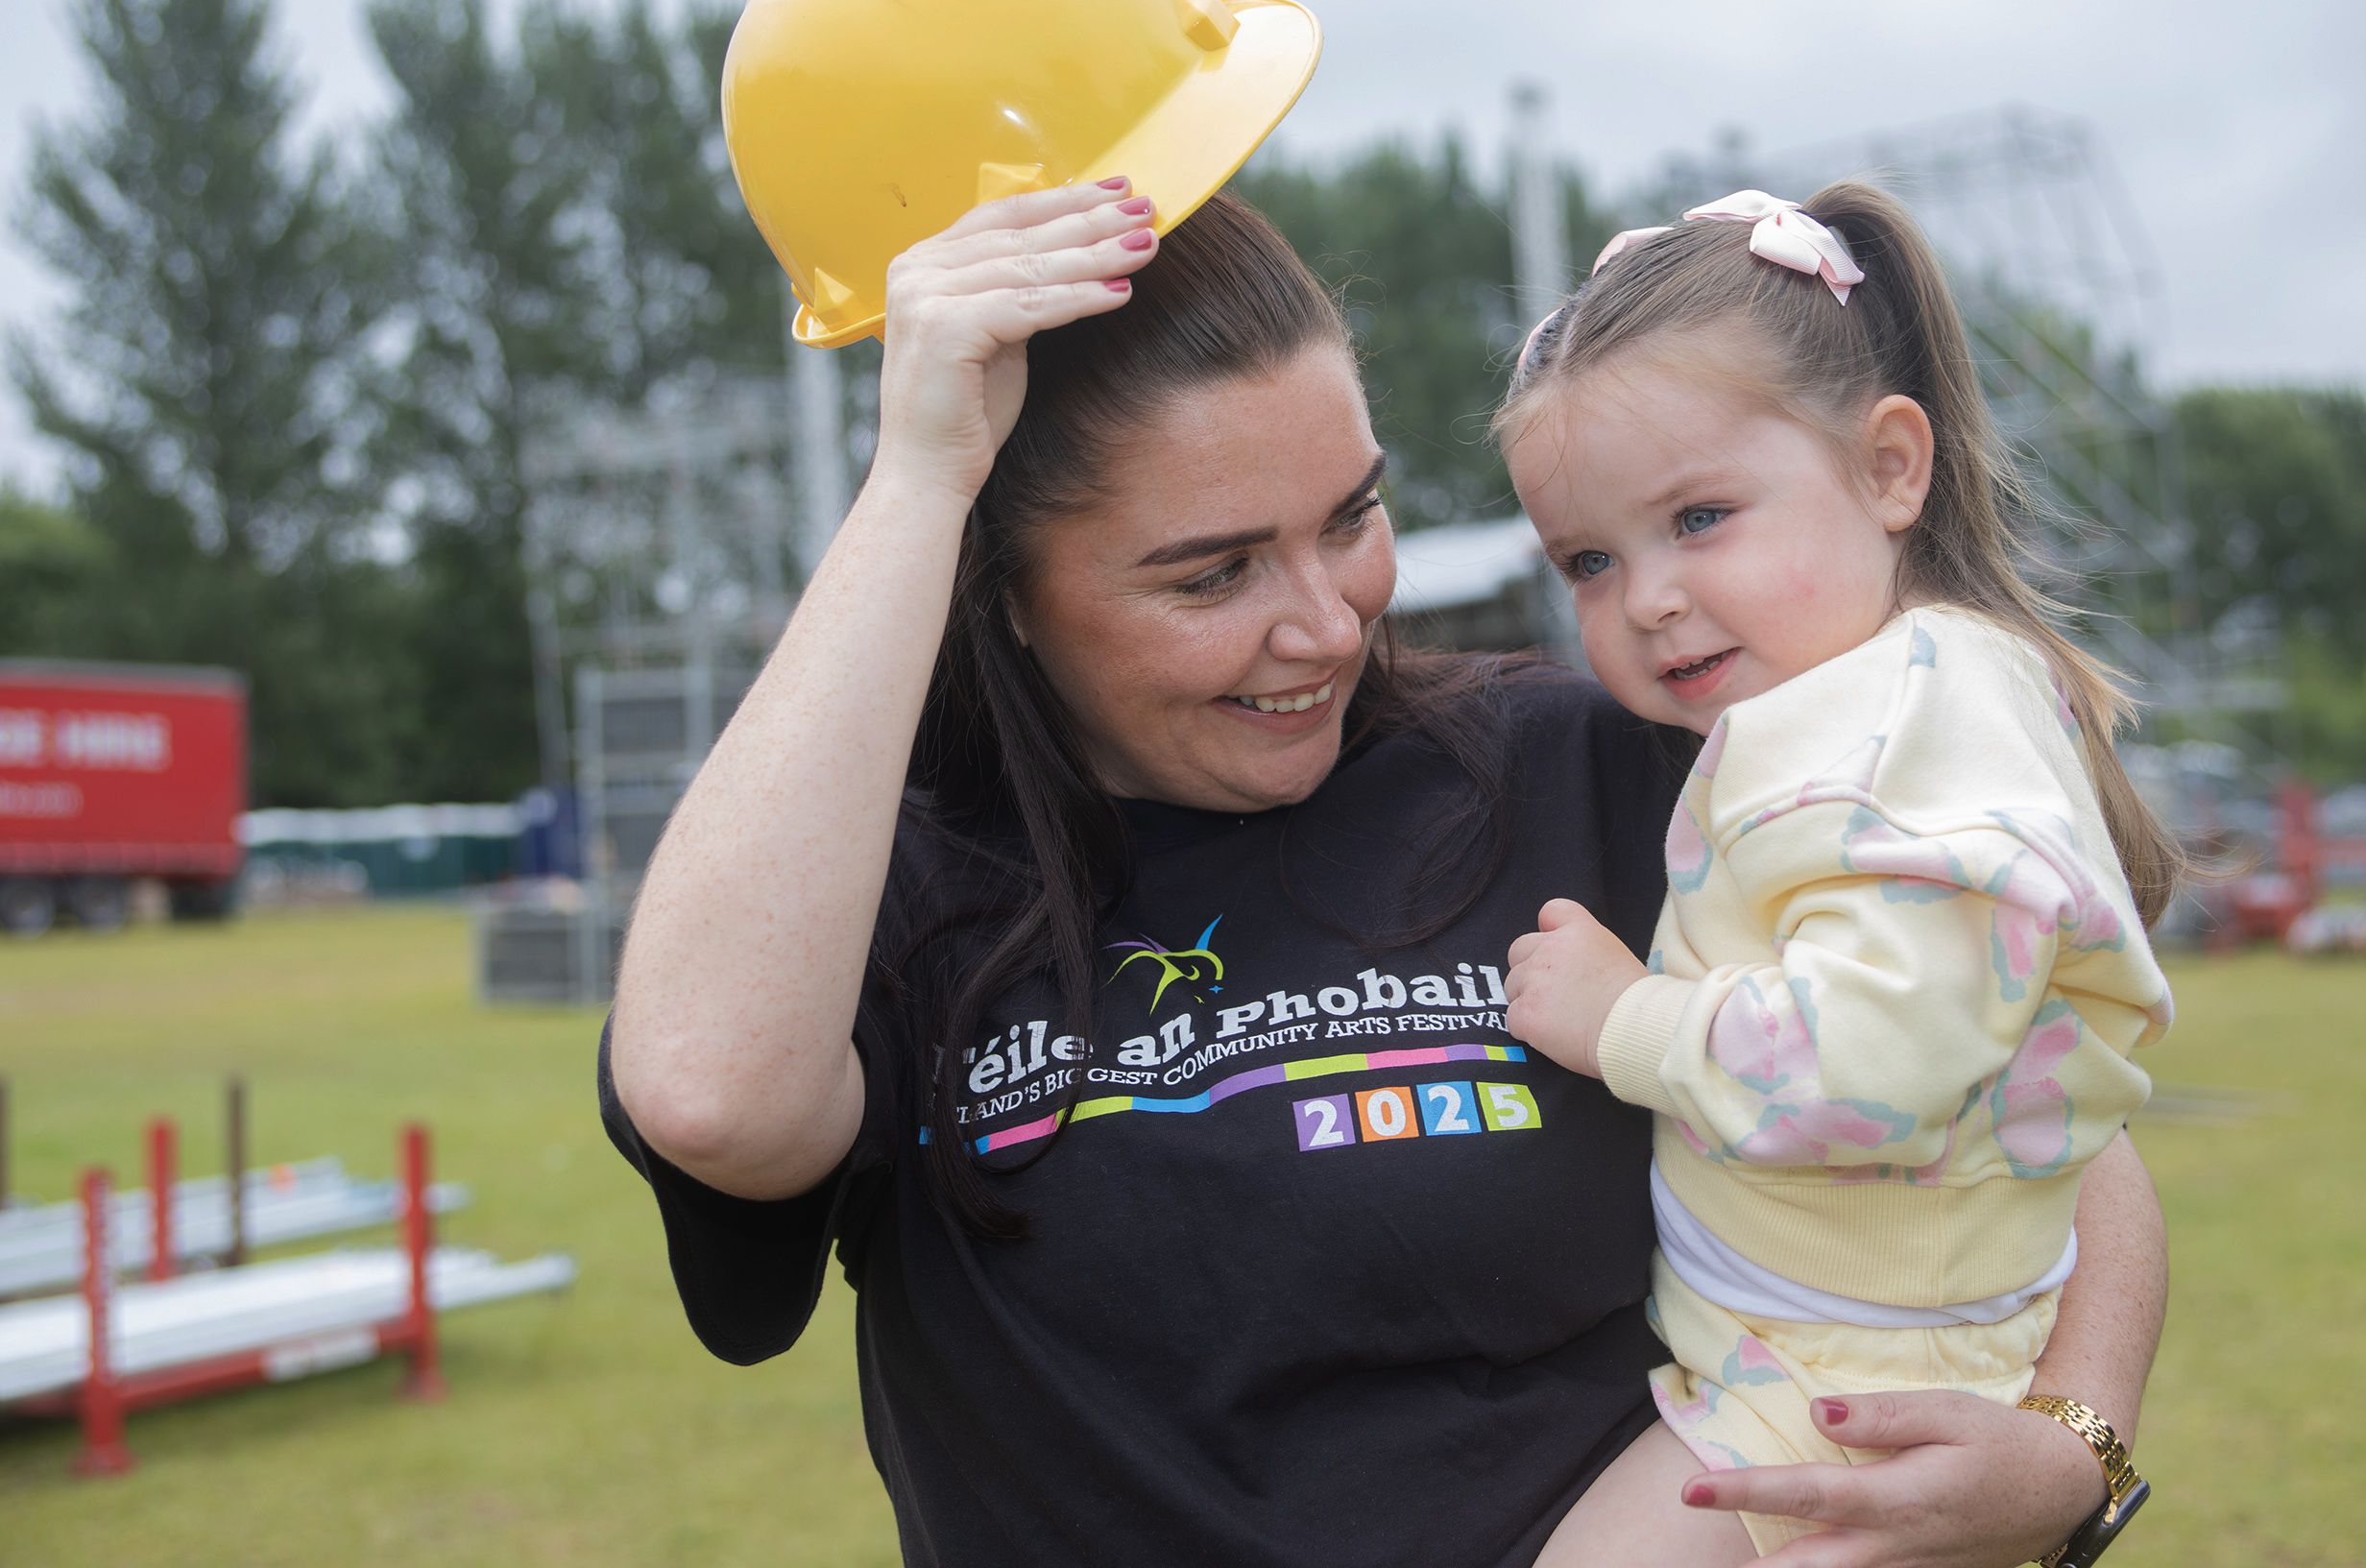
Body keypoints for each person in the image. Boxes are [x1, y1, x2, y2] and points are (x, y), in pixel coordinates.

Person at [601, 176, 2169, 1566]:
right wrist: (917, 480)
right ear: (1003, 594)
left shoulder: (1596, 764)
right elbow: (714, 1097)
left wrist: (2071, 1447)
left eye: (1351, 516)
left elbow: (2013, 1085)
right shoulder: (895, 894)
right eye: (1212, 573)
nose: (1328, 623)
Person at [1496, 184, 2177, 1564]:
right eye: (1589, 557)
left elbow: (1872, 1066)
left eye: (1700, 517)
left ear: (1888, 469)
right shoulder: (1888, 703)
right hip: (1828, 1354)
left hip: (1840, 1394)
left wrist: (1625, 1018)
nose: (1648, 598)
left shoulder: (1882, 738)